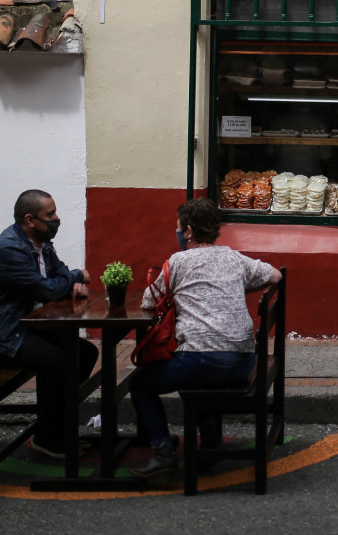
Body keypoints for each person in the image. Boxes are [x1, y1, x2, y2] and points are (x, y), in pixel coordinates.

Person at [128, 198, 282, 479]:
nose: (176, 232)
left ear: (188, 231)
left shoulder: (177, 262)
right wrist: (234, 289)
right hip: (243, 361)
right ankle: (209, 439)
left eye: (177, 227)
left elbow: (149, 301)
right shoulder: (233, 257)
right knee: (191, 371)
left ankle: (162, 452)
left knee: (140, 383)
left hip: (199, 361)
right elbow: (274, 276)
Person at [0, 189, 98, 459]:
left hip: (22, 326)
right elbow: (46, 290)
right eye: (50, 215)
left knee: (85, 353)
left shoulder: (41, 242)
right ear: (29, 219)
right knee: (61, 362)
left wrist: (70, 280)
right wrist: (76, 277)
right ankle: (49, 437)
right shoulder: (10, 249)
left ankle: (57, 430)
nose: (57, 219)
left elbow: (58, 272)